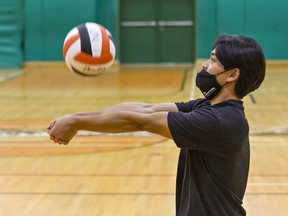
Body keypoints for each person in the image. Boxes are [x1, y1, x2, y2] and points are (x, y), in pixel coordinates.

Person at [47, 34, 266, 216]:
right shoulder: (207, 107)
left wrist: (76, 122)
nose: (204, 65)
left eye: (213, 60)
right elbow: (146, 109)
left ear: (232, 74)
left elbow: (140, 121)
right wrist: (74, 118)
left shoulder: (217, 122)